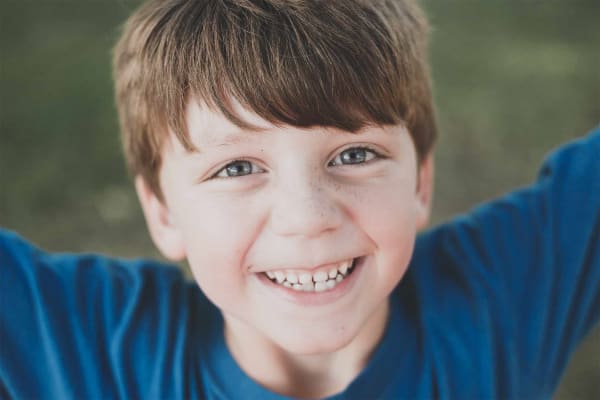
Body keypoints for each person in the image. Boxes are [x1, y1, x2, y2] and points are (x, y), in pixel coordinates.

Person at [1, 0, 598, 398]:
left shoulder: (500, 301)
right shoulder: (88, 351)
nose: (308, 218)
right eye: (237, 167)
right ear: (161, 209)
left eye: (355, 155)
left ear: (419, 182)